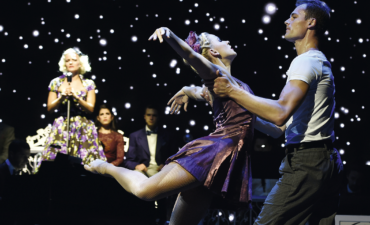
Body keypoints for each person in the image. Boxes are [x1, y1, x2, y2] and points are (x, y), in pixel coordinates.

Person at [85, 27, 259, 225]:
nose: (227, 41)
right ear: (213, 52)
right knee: (145, 191)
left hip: (226, 157)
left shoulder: (234, 85)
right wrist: (170, 35)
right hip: (212, 152)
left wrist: (188, 90)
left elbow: (203, 93)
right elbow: (191, 56)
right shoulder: (216, 75)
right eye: (220, 40)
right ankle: (105, 167)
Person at [211, 1, 343, 224]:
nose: (286, 21)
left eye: (293, 16)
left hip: (307, 163)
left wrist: (232, 91)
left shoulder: (306, 62)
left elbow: (280, 112)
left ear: (311, 23)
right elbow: (278, 129)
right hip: (324, 160)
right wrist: (243, 114)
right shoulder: (316, 62)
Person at [37, 48, 106, 171]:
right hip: (62, 126)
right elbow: (50, 108)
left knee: (85, 163)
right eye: (67, 60)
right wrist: (62, 97)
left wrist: (76, 97)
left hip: (83, 127)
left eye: (74, 60)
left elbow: (90, 108)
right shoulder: (56, 82)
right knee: (58, 164)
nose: (70, 62)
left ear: (81, 63)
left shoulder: (88, 83)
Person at [123, 104, 176, 177]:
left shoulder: (168, 135)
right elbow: (128, 161)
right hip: (143, 171)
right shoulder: (134, 136)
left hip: (162, 170)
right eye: (148, 115)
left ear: (158, 117)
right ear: (144, 116)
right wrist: (136, 166)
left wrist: (166, 165)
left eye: (154, 115)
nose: (151, 118)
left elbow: (174, 157)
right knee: (136, 176)